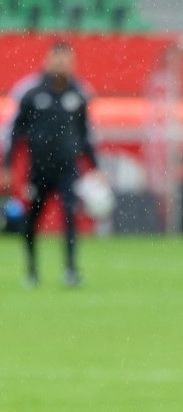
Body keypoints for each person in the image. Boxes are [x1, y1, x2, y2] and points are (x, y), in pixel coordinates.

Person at [2, 41, 100, 286]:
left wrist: (96, 168)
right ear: (47, 61)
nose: (61, 64)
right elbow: (16, 132)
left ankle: (70, 270)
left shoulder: (78, 94)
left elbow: (84, 136)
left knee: (70, 216)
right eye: (57, 59)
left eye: (66, 60)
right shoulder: (33, 93)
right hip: (39, 170)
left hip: (68, 170)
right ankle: (32, 271)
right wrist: (7, 167)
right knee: (32, 219)